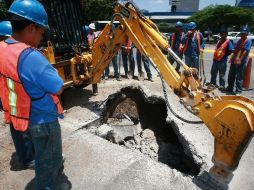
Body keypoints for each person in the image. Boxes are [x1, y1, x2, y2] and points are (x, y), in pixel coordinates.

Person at [0, 0, 65, 189]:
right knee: (48, 163)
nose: (42, 37)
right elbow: (58, 87)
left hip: (24, 116)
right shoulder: (31, 56)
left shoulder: (3, 48)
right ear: (30, 28)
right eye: (41, 31)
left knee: (42, 156)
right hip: (43, 120)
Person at [225, 26, 252, 95]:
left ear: (247, 34)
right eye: (242, 33)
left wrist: (240, 59)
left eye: (244, 34)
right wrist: (231, 56)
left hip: (241, 61)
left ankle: (238, 90)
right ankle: (230, 88)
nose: (242, 35)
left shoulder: (248, 41)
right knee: (231, 75)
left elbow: (246, 51)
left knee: (239, 76)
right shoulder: (239, 40)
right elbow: (236, 49)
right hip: (234, 60)